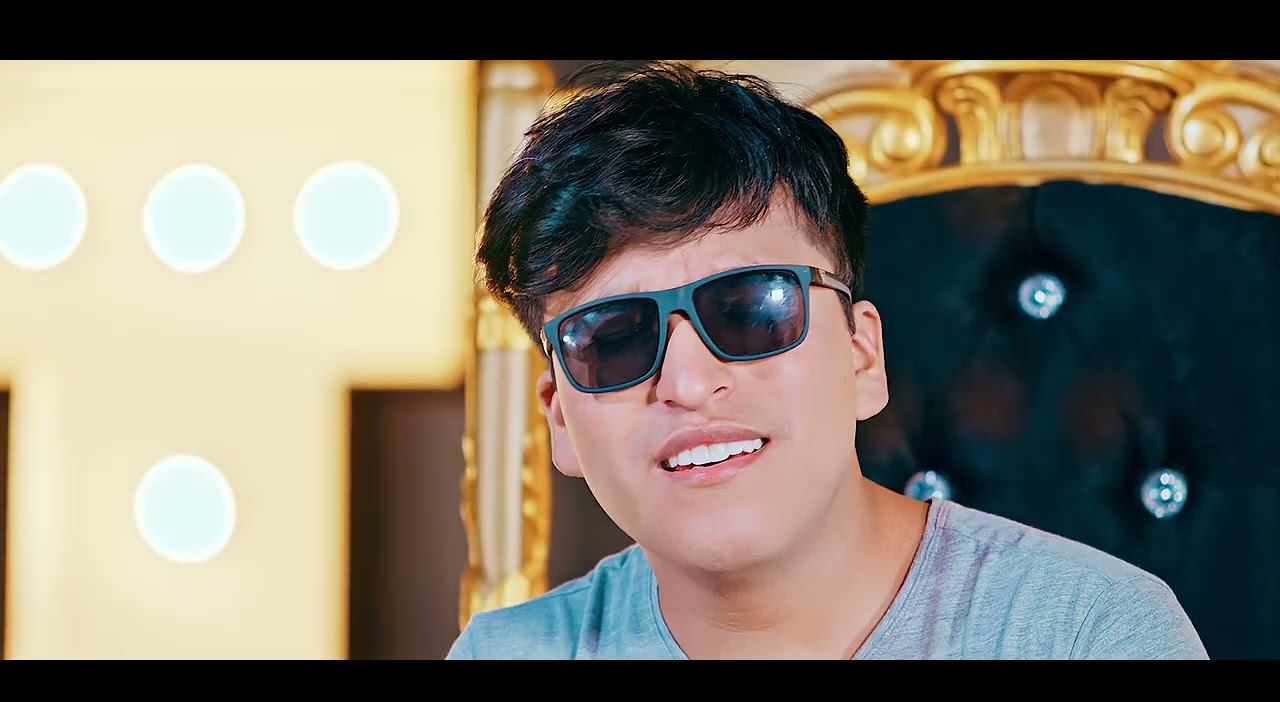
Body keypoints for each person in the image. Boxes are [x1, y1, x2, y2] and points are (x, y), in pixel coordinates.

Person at [448, 60, 1208, 660]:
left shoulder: (1088, 634)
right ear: (560, 419)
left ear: (862, 355)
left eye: (750, 309)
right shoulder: (508, 652)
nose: (687, 383)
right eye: (612, 340)